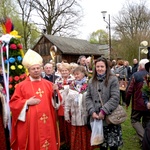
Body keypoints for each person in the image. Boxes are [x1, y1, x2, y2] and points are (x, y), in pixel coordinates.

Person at [9, 49, 61, 150]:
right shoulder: (21, 86)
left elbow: (56, 104)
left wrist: (55, 93)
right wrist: (27, 102)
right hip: (31, 124)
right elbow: (13, 103)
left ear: (41, 69)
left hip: (48, 121)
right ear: (29, 70)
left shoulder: (49, 84)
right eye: (33, 69)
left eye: (38, 68)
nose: (36, 70)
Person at [86, 57, 123, 150]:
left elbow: (115, 97)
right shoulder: (91, 81)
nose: (100, 69)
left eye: (102, 66)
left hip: (110, 118)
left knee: (113, 146)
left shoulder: (113, 79)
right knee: (102, 146)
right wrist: (92, 111)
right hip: (97, 119)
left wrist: (104, 111)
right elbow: (88, 97)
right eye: (98, 66)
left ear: (106, 67)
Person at [65, 66, 97, 150]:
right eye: (74, 74)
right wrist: (66, 115)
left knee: (86, 132)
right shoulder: (71, 86)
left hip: (86, 115)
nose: (76, 76)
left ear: (83, 73)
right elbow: (67, 102)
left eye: (77, 74)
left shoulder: (89, 84)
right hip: (75, 115)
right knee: (77, 134)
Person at [126, 59, 150, 147]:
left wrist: (127, 102)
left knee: (134, 120)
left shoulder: (135, 75)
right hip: (147, 104)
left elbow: (129, 90)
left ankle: (145, 140)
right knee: (147, 121)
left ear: (140, 66)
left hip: (138, 104)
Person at [55, 63, 75, 149]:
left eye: (66, 70)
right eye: (62, 71)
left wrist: (64, 89)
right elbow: (56, 91)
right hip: (61, 103)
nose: (64, 72)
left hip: (71, 104)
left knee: (70, 123)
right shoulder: (57, 80)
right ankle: (63, 141)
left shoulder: (73, 79)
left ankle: (71, 141)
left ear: (69, 71)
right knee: (62, 123)